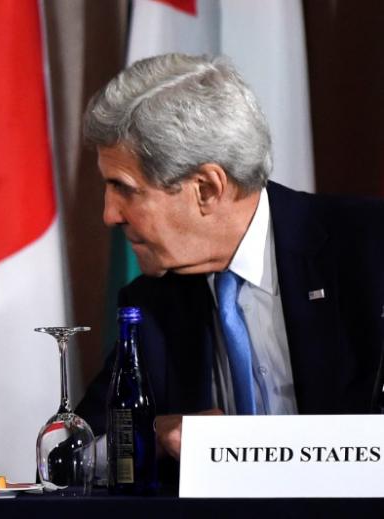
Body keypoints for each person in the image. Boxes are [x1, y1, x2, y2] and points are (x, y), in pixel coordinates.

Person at [76, 54, 384, 478]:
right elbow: (71, 456)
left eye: (125, 189)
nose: (110, 215)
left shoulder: (368, 251)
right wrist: (154, 435)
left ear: (206, 188)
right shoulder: (151, 305)